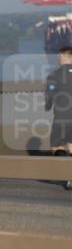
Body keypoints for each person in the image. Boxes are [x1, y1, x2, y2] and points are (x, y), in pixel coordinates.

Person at [46, 47, 72, 189]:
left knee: (56, 146)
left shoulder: (54, 75)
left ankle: (69, 175)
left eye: (59, 57)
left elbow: (49, 94)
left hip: (62, 117)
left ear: (65, 58)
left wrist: (48, 103)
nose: (57, 59)